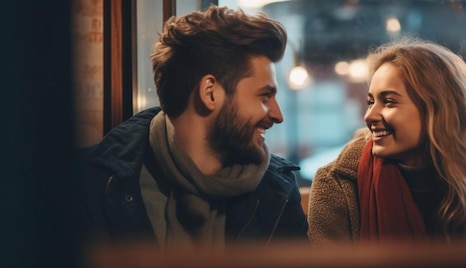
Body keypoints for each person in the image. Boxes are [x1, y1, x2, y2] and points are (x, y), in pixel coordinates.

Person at [75, 5, 308, 249]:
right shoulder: (93, 184)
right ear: (210, 93)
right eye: (264, 97)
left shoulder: (277, 190)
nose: (277, 115)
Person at [307, 37, 466, 245]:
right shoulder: (338, 181)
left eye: (389, 102)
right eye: (370, 102)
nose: (369, 116)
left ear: (438, 111)